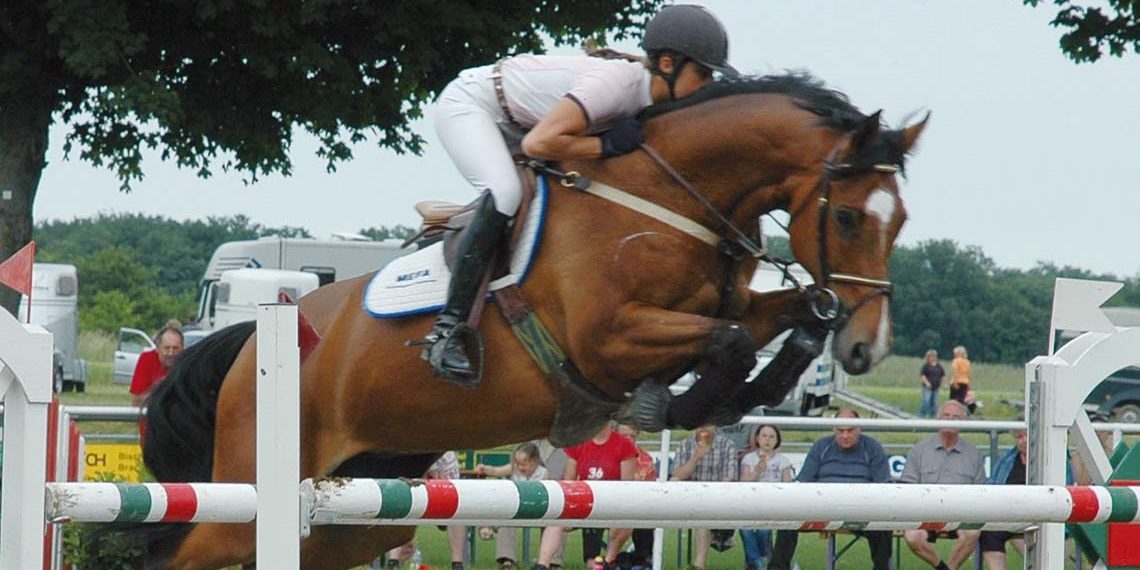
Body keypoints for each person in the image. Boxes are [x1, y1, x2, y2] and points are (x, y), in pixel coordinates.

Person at [421, 4, 739, 384]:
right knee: (504, 192)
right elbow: (540, 143)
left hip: (523, 123)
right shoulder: (618, 87)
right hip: (475, 108)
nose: (707, 86)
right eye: (702, 73)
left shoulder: (651, 100)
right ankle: (446, 331)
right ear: (668, 64)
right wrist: (604, 147)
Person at [767, 409, 891, 570]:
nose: (845, 436)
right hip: (823, 508)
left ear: (859, 428)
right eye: (840, 431)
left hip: (861, 509)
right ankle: (777, 567)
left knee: (884, 525)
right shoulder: (821, 447)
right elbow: (804, 482)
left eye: (850, 430)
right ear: (833, 429)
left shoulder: (873, 448)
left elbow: (882, 486)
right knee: (789, 518)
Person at [533, 423, 638, 570]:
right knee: (556, 520)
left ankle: (608, 561)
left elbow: (626, 486)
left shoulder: (624, 445)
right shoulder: (579, 443)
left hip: (611, 502)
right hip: (585, 501)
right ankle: (542, 564)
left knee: (626, 521)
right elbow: (569, 481)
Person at [900, 401, 985, 570]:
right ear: (938, 419)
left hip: (960, 513)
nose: (950, 420)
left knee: (972, 533)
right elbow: (907, 487)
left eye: (955, 417)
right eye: (946, 416)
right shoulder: (919, 450)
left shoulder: (974, 454)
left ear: (964, 423)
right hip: (925, 512)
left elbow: (980, 491)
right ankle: (942, 567)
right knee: (912, 537)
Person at [670, 424, 738, 570]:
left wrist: (710, 496)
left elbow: (729, 479)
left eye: (707, 424)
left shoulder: (727, 446)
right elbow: (676, 477)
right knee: (700, 510)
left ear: (715, 425)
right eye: (699, 424)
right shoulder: (685, 445)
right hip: (689, 499)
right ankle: (699, 564)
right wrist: (695, 458)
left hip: (718, 499)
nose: (703, 428)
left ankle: (699, 565)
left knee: (703, 513)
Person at [475, 442, 548, 570]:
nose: (520, 467)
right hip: (517, 508)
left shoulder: (544, 473)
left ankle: (552, 562)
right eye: (517, 463)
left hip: (537, 510)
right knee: (505, 516)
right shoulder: (514, 469)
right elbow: (496, 471)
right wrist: (485, 468)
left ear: (535, 461)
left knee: (554, 526)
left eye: (524, 464)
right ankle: (506, 559)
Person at [737, 425, 793, 570]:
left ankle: (757, 561)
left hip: (774, 504)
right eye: (764, 436)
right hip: (752, 503)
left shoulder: (783, 461)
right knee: (745, 529)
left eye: (771, 436)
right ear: (757, 438)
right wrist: (757, 471)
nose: (767, 440)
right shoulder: (748, 459)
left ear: (777, 440)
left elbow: (788, 486)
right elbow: (743, 483)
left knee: (763, 530)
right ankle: (757, 562)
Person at [614, 424, 657, 567]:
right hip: (612, 503)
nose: (628, 439)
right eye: (624, 436)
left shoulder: (646, 459)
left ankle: (642, 559)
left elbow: (650, 488)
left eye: (632, 436)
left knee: (645, 517)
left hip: (637, 505)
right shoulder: (608, 455)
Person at [427, 451, 468, 570]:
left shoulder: (447, 456)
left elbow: (454, 488)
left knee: (457, 510)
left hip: (442, 457)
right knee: (403, 505)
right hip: (412, 452)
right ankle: (393, 561)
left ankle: (457, 564)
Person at [129, 321, 185, 407]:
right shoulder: (147, 359)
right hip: (151, 419)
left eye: (175, 348)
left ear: (183, 348)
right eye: (166, 348)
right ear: (157, 348)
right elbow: (136, 401)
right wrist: (164, 390)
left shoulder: (188, 362)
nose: (171, 353)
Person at [920, 349, 946, 418]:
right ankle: (923, 415)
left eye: (934, 356)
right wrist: (927, 383)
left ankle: (933, 416)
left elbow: (942, 375)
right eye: (931, 356)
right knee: (926, 401)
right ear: (928, 357)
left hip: (936, 387)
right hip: (927, 388)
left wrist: (944, 384)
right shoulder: (926, 366)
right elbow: (923, 376)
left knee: (934, 402)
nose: (933, 358)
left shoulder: (939, 366)